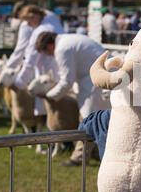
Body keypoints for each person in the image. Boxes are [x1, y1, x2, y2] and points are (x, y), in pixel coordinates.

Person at [34, 32, 110, 166]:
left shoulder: (62, 48)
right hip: (101, 77)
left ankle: (79, 157)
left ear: (49, 46)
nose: (48, 55)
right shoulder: (68, 40)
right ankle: (98, 154)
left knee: (89, 119)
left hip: (96, 81)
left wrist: (49, 96)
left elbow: (66, 81)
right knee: (98, 119)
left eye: (46, 52)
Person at [12, 5, 65, 116]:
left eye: (28, 21)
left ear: (35, 17)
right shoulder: (53, 24)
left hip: (46, 76)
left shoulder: (39, 32)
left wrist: (19, 83)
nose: (28, 25)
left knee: (48, 109)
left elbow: (30, 60)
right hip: (60, 72)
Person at [5, 0, 33, 69]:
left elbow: (21, 48)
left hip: (27, 57)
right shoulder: (24, 23)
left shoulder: (25, 24)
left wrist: (7, 67)